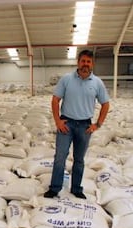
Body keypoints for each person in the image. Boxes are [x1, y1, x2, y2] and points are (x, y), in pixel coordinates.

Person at [44, 49, 110, 199]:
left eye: (88, 61)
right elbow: (55, 99)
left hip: (85, 126)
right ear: (78, 62)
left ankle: (76, 189)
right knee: (60, 157)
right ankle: (54, 188)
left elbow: (105, 104)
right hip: (66, 123)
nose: (85, 64)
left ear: (92, 64)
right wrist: (57, 121)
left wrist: (97, 125)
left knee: (79, 159)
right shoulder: (67, 79)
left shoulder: (97, 83)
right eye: (83, 61)